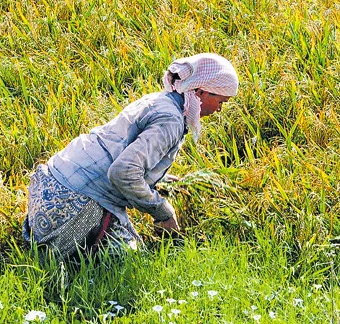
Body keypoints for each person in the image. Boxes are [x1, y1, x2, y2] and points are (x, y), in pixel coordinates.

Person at [22, 53, 239, 259]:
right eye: (221, 102)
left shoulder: (160, 100)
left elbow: (121, 147)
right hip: (72, 204)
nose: (219, 110)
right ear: (201, 92)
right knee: (129, 262)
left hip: (47, 190)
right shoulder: (171, 120)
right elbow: (123, 172)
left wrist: (156, 179)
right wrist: (162, 211)